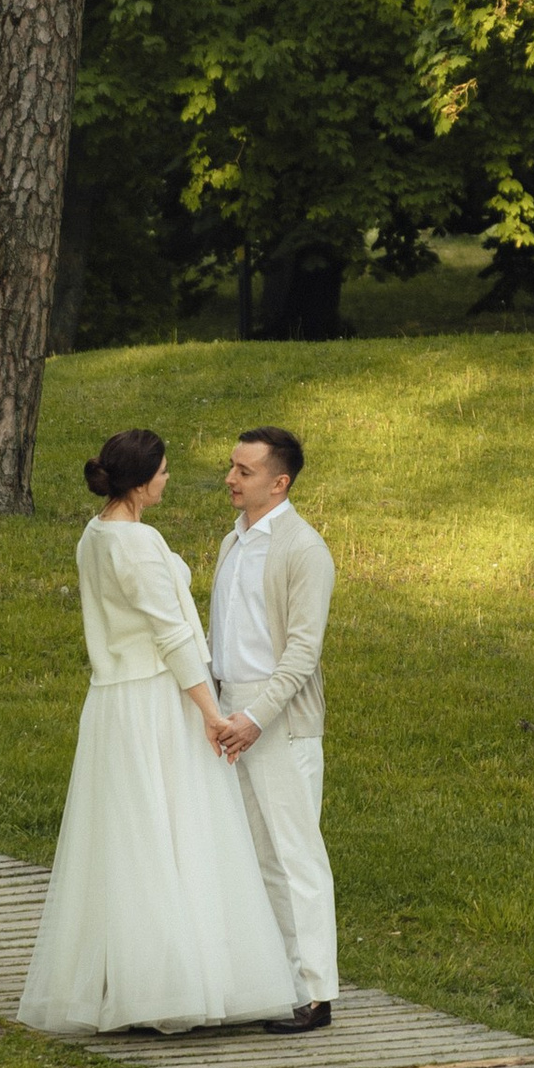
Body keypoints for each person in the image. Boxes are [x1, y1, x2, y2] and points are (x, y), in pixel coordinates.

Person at [16, 426, 298, 1038]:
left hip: (113, 700)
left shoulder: (95, 535)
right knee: (173, 830)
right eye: (165, 471)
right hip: (152, 701)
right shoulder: (136, 544)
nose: (170, 479)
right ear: (142, 483)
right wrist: (209, 711)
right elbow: (171, 635)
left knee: (127, 836)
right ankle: (171, 983)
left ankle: (131, 977)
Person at [210, 423, 339, 1035]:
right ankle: (269, 980)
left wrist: (255, 718)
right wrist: (216, 712)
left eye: (245, 471)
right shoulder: (232, 541)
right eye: (232, 467)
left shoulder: (303, 549)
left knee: (293, 857)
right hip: (228, 717)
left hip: (278, 722)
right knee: (251, 856)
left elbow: (302, 652)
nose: (231, 479)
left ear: (278, 482)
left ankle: (314, 994)